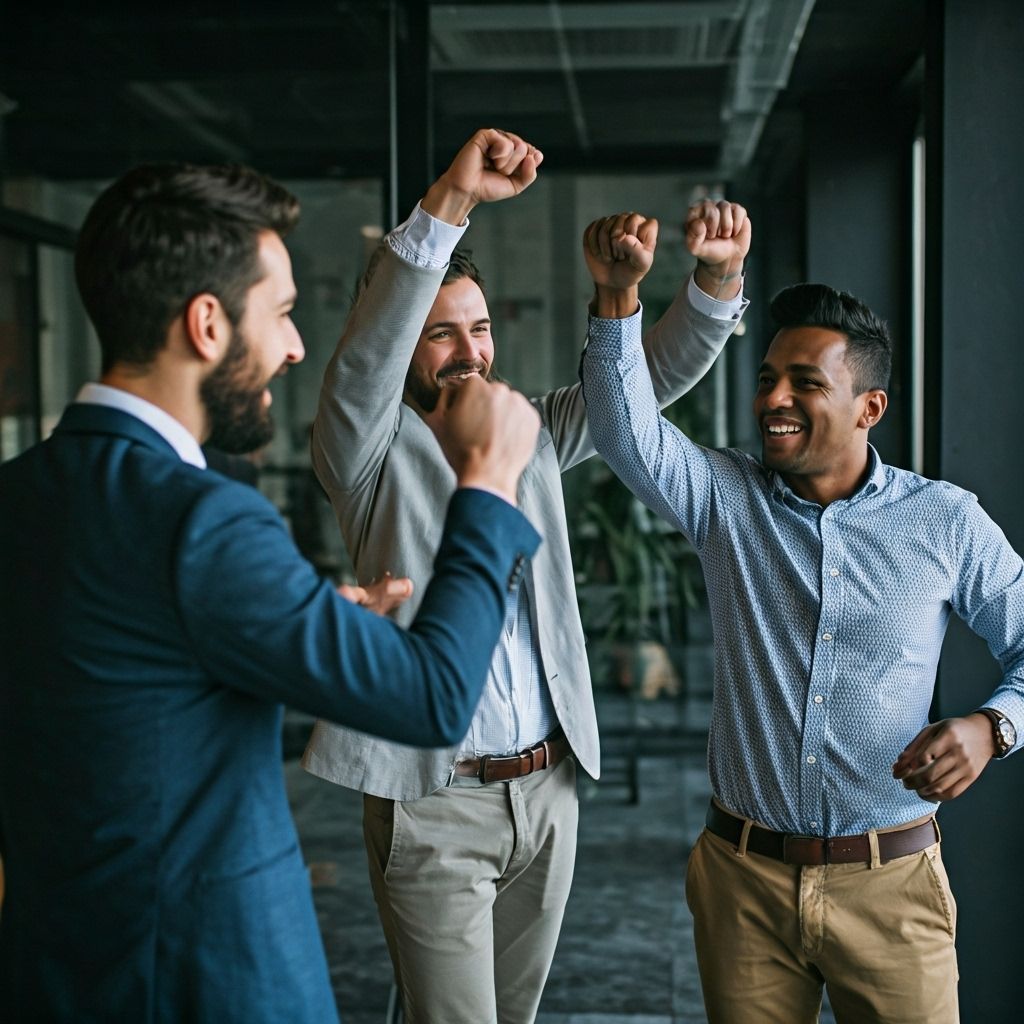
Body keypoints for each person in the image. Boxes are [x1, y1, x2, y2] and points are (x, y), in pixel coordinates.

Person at [0, 159, 545, 1023]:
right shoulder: (205, 521)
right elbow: (436, 699)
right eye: (283, 314)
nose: (295, 347)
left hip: (56, 966)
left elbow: (122, 676)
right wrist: (485, 487)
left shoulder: (21, 493)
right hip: (207, 978)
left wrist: (294, 624)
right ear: (207, 324)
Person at [301, 127, 746, 1023]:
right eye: (439, 336)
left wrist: (711, 284)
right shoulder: (365, 453)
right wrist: (448, 205)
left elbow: (643, 384)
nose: (468, 352)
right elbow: (364, 359)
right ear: (404, 350)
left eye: (481, 329)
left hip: (548, 790)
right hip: (435, 797)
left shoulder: (529, 430)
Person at [580, 200, 1024, 1024]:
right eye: (767, 379)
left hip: (892, 885)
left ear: (869, 408)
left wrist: (991, 727)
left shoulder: (946, 520)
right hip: (743, 881)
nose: (774, 399)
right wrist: (616, 298)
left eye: (806, 383)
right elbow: (624, 432)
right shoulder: (725, 498)